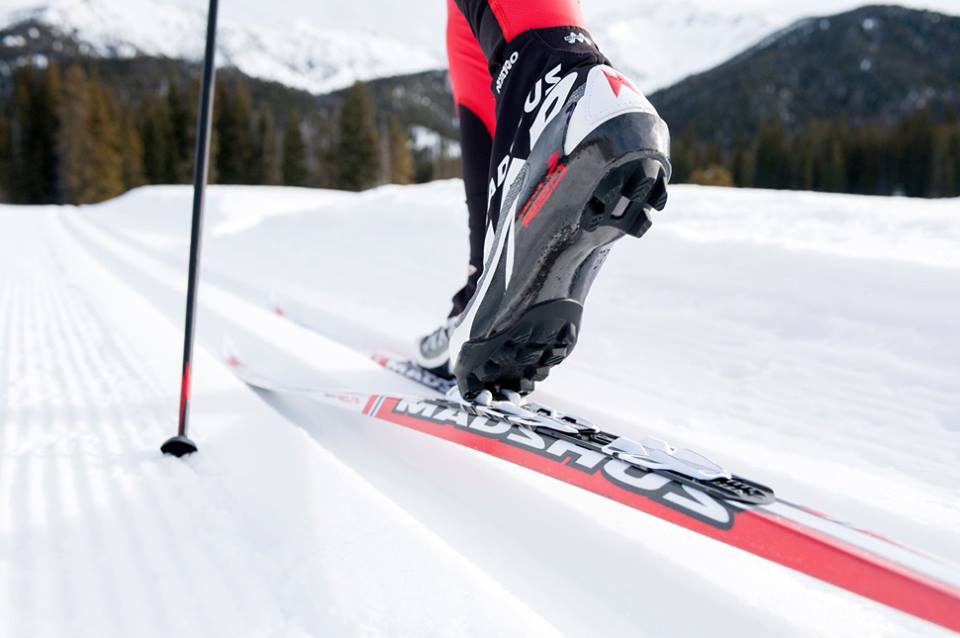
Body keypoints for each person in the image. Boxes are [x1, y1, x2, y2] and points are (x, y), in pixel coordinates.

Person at [417, 0, 671, 400]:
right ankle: (484, 280)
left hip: (552, 68)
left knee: (502, 38)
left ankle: (556, 73)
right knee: (466, 19)